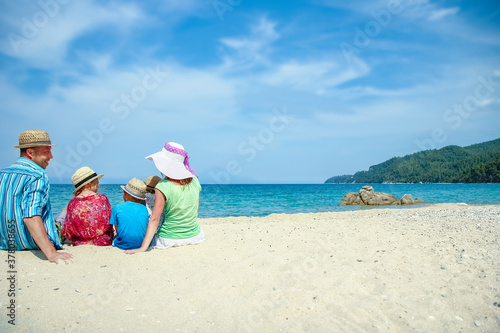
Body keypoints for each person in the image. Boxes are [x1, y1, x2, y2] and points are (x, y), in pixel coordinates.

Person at [0, 130, 73, 264]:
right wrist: (52, 254)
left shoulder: (3, 174)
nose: (51, 156)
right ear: (30, 153)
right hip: (29, 244)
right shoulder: (37, 175)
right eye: (46, 152)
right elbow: (31, 216)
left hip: (5, 244)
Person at [125, 142, 204, 254]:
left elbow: (155, 219)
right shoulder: (195, 181)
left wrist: (143, 248)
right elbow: (195, 209)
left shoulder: (163, 186)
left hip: (169, 239)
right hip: (195, 236)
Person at [61, 167, 113, 246]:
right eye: (97, 183)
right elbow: (108, 224)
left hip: (79, 242)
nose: (98, 186)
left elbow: (69, 229)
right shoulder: (102, 199)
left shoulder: (72, 202)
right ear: (89, 184)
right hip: (102, 241)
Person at [110, 178, 149, 250]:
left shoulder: (117, 208)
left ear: (124, 192)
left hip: (122, 246)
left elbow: (118, 230)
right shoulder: (145, 209)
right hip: (142, 244)